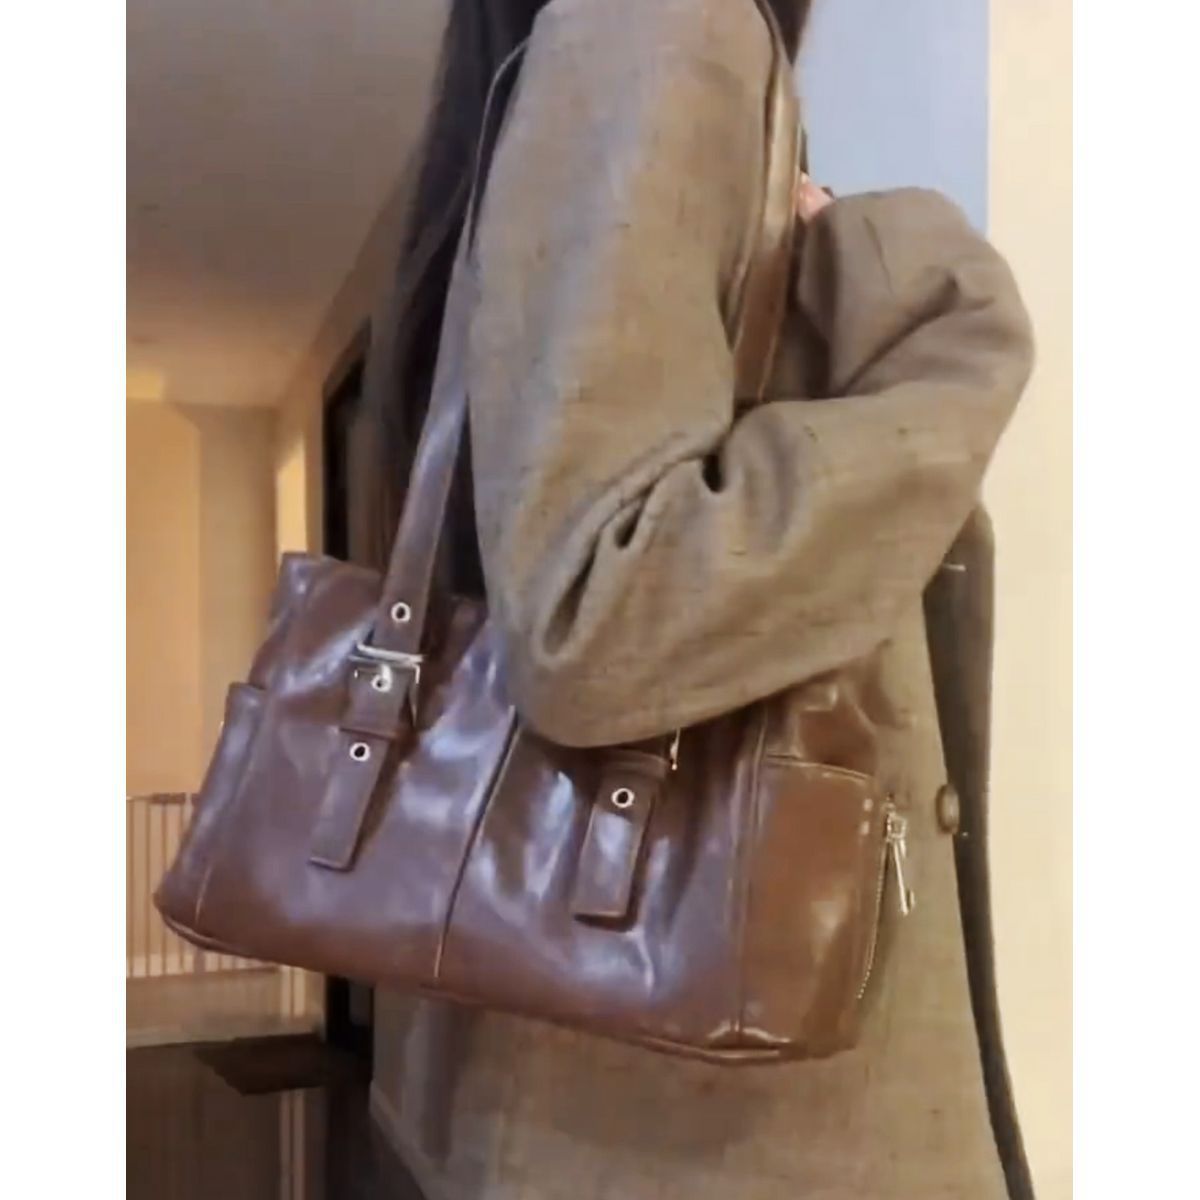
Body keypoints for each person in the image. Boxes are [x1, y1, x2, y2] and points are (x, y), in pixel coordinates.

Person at [365, 0, 1035, 1197]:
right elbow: (594, 615)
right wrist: (945, 315)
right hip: (727, 1137)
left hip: (645, 1115)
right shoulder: (667, 22)